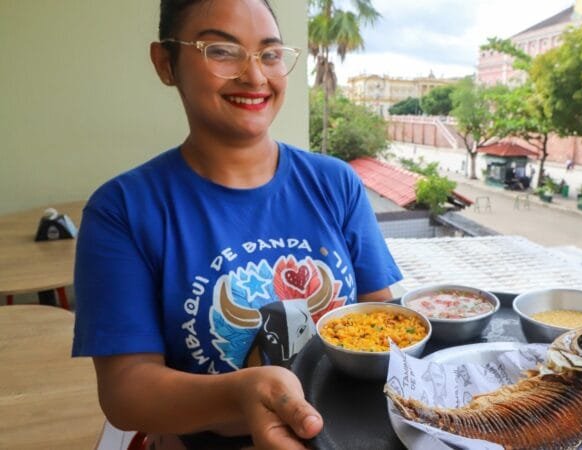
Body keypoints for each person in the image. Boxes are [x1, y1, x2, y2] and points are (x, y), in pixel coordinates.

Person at [71, 1, 402, 449]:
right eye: (222, 51)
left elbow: (382, 320)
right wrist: (242, 394)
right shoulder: (124, 209)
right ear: (165, 63)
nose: (255, 76)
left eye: (270, 54)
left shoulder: (335, 183)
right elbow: (125, 391)